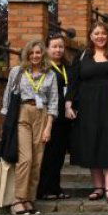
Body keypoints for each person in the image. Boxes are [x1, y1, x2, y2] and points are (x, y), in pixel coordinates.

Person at [66, 22, 108, 205]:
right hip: (88, 108)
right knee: (93, 145)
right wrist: (68, 105)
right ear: (90, 36)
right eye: (96, 33)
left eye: (103, 33)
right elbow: (73, 83)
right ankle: (98, 187)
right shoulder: (82, 56)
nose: (100, 37)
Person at [2, 39, 59, 215]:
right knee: (25, 158)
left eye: (38, 52)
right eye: (32, 52)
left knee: (37, 160)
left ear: (43, 54)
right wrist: (5, 124)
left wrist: (48, 127)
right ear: (27, 54)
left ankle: (29, 199)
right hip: (22, 113)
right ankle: (17, 199)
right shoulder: (17, 72)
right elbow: (7, 97)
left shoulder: (50, 74)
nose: (35, 55)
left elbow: (54, 102)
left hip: (41, 115)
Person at [37, 34, 71, 200]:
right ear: (47, 49)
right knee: (48, 154)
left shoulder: (67, 66)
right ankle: (44, 189)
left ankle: (55, 187)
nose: (58, 50)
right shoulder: (45, 68)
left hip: (64, 118)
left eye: (61, 47)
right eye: (54, 47)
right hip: (50, 116)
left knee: (58, 155)